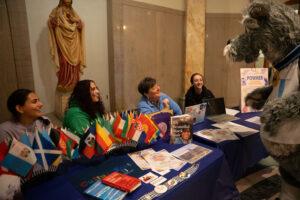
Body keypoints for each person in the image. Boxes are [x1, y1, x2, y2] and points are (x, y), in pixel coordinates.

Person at [48, 0, 86, 92]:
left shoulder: (73, 12)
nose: (68, 1)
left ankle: (75, 83)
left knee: (75, 64)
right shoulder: (57, 11)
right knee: (63, 62)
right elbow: (50, 22)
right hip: (62, 41)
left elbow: (80, 24)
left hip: (74, 41)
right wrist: (54, 22)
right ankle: (64, 83)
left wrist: (78, 23)